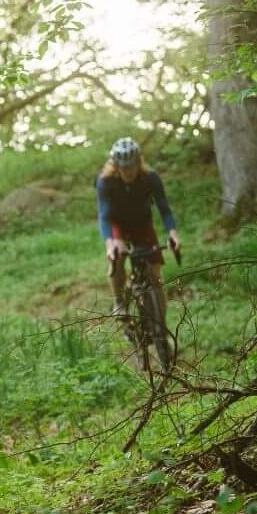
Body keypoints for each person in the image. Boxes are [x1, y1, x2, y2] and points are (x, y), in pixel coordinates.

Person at [98, 137, 180, 372]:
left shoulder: (150, 178)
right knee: (118, 255)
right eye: (123, 167)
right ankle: (119, 301)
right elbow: (104, 216)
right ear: (116, 166)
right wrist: (110, 244)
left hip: (143, 225)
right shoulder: (106, 182)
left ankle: (160, 326)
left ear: (138, 162)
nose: (128, 171)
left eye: (132, 166)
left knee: (155, 276)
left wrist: (173, 233)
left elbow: (164, 208)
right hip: (118, 227)